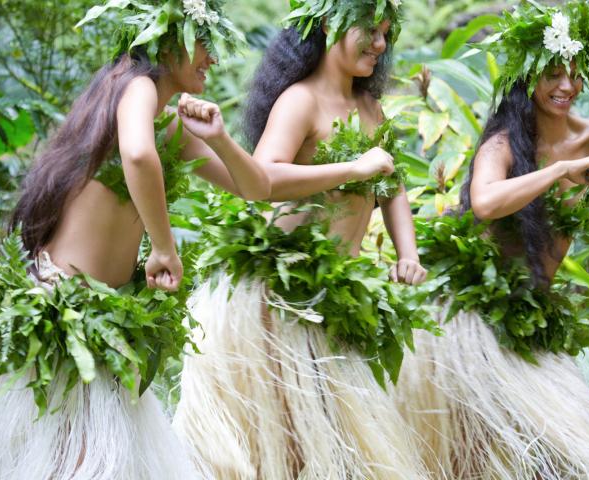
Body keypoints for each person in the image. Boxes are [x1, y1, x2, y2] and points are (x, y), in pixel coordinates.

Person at [0, 0, 270, 478]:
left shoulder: (171, 125)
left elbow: (256, 186)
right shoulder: (137, 87)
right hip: (65, 309)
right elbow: (138, 155)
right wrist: (164, 246)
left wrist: (222, 137)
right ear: (167, 43)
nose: (214, 57)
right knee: (76, 461)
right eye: (205, 42)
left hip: (107, 319)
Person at [172, 0, 433, 478]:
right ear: (331, 24)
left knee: (334, 440)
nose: (380, 45)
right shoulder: (300, 100)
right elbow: (265, 177)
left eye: (385, 34)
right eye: (370, 31)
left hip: (336, 295)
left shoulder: (370, 107)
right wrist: (352, 168)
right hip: (282, 300)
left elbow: (391, 183)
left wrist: (408, 253)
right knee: (288, 442)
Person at [395, 1, 589, 478]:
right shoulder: (502, 144)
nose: (566, 86)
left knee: (565, 452)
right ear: (527, 75)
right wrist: (561, 170)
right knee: (471, 457)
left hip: (533, 319)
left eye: (575, 72)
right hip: (468, 322)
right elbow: (485, 202)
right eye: (552, 73)